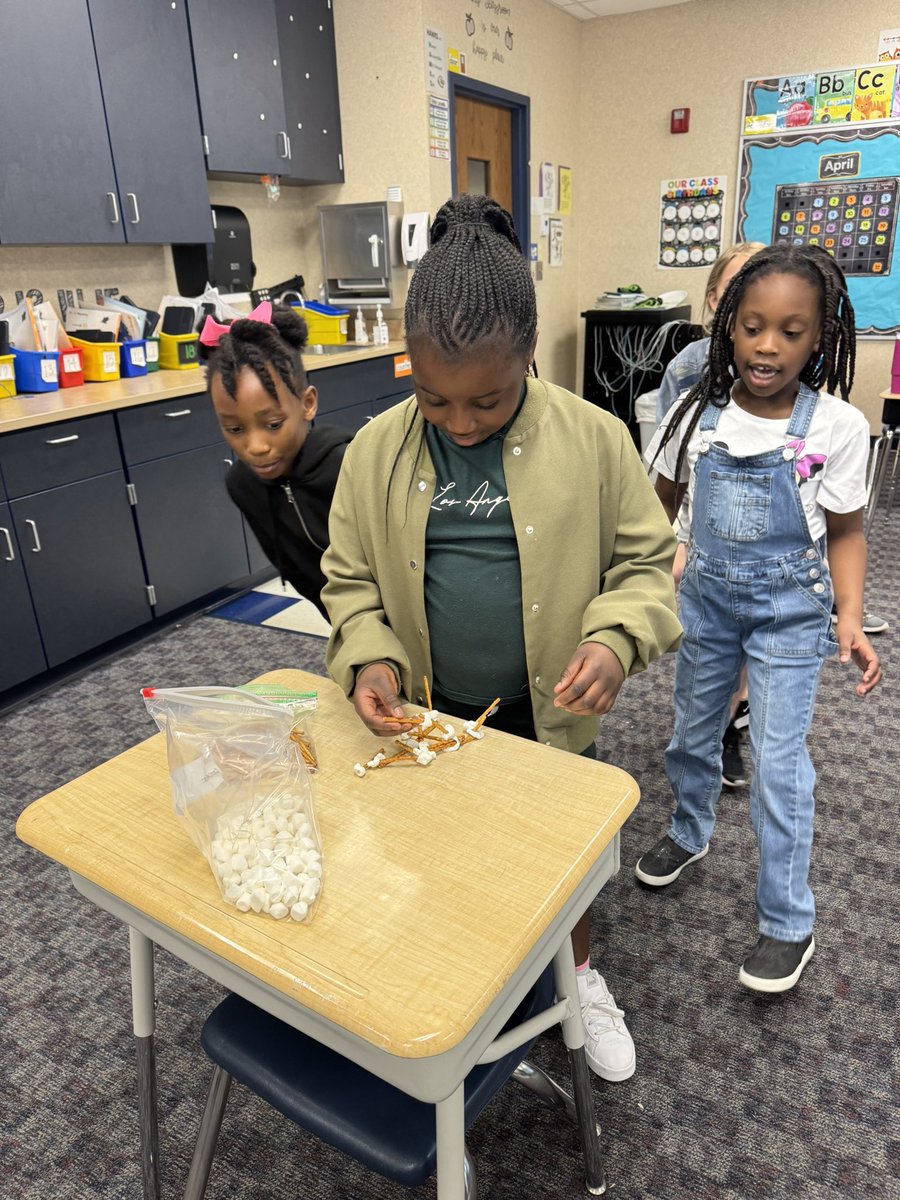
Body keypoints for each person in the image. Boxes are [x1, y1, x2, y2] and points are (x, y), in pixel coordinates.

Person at [321, 194, 682, 1081]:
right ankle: (472, 976)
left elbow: (648, 564)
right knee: (446, 854)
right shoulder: (374, 451)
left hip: (551, 714)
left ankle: (580, 976)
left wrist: (614, 638)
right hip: (430, 716)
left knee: (565, 865)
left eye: (487, 398)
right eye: (433, 399)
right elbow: (349, 576)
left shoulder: (594, 441)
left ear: (530, 355)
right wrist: (370, 650)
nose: (461, 421)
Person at [635, 244, 882, 994]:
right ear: (728, 328)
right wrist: (643, 581)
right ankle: (688, 830)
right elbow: (662, 510)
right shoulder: (693, 412)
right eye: (752, 326)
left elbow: (845, 529)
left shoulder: (836, 425)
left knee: (779, 765)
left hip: (790, 616)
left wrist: (850, 616)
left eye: (792, 331)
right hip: (706, 601)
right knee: (691, 731)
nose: (768, 345)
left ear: (821, 337)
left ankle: (787, 921)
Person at [203, 302, 352, 619]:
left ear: (307, 404)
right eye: (234, 429)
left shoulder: (350, 468)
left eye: (273, 425)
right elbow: (306, 579)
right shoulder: (243, 485)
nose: (255, 447)